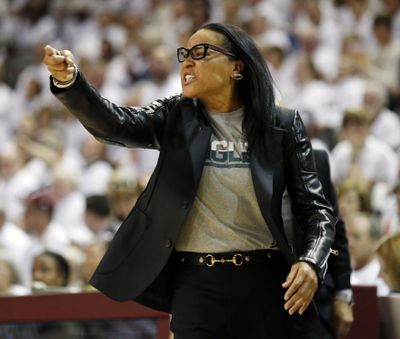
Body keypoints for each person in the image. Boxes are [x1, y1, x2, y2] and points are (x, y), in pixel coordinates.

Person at [43, 22, 336, 339]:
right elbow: (117, 125)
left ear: (236, 68)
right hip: (195, 282)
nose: (187, 62)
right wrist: (71, 82)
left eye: (201, 53)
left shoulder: (282, 124)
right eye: (184, 54)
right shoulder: (175, 115)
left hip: (265, 280)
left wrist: (310, 262)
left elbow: (317, 209)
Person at [283, 148, 354, 339]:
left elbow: (335, 230)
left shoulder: (317, 159)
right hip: (262, 297)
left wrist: (342, 294)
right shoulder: (244, 160)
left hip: (316, 300)